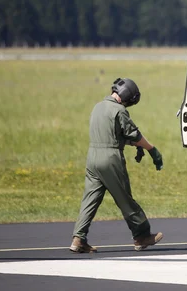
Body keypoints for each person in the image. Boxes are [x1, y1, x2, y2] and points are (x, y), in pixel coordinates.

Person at [70, 77, 164, 253]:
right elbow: (133, 134)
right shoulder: (119, 111)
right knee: (125, 199)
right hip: (110, 159)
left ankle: (78, 239)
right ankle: (141, 236)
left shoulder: (97, 107)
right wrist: (151, 150)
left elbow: (114, 134)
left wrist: (135, 146)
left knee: (90, 200)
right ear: (128, 96)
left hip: (92, 158)